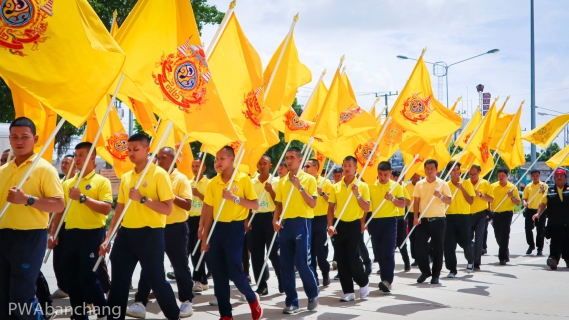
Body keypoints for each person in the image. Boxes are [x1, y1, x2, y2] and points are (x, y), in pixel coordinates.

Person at [100, 133, 180, 320]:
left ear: (147, 150)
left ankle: (174, 316)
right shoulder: (126, 176)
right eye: (129, 150)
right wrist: (108, 238)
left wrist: (143, 199)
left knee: (157, 281)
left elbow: (167, 209)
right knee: (119, 283)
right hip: (126, 235)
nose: (131, 153)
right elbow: (119, 209)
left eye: (136, 149)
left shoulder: (159, 174)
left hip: (150, 235)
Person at [0, 117, 65, 319]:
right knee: (3, 295)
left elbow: (58, 204)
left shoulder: (44, 168)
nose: (19, 141)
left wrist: (27, 200)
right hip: (3, 236)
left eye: (25, 137)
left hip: (29, 238)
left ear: (35, 138)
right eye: (14, 137)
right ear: (9, 140)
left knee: (22, 296)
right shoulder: (3, 170)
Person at [127, 147, 195, 318]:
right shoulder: (152, 176)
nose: (159, 160)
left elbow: (187, 204)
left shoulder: (180, 179)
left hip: (175, 228)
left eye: (164, 157)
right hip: (155, 227)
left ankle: (186, 300)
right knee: (149, 266)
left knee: (179, 265)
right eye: (158, 157)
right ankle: (140, 302)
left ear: (173, 160)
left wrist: (169, 194)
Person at [48, 142, 113, 319]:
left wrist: (82, 197)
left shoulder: (101, 181)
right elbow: (60, 211)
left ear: (92, 158)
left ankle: (103, 309)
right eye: (76, 155)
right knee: (71, 277)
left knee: (88, 277)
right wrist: (53, 233)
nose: (77, 159)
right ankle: (79, 313)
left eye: (81, 155)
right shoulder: (68, 182)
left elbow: (107, 208)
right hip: (70, 234)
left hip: (92, 234)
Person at [199, 146, 263, 320]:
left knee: (234, 271)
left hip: (234, 228)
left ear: (232, 159)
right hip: (216, 228)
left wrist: (233, 198)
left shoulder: (243, 180)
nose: (218, 162)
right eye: (216, 159)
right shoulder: (213, 182)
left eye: (222, 158)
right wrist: (204, 235)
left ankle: (251, 297)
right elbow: (208, 209)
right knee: (218, 274)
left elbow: (255, 205)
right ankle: (225, 314)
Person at [273, 148, 319, 313]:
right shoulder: (282, 181)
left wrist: (299, 186)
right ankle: (291, 301)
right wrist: (275, 219)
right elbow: (279, 203)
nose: (289, 160)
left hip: (302, 222)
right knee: (285, 265)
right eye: (287, 157)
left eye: (292, 157)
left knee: (302, 263)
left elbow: (312, 204)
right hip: (286, 224)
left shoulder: (309, 180)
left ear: (300, 160)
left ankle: (313, 293)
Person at [327, 156, 370, 301]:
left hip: (354, 224)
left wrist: (357, 195)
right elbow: (331, 208)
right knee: (341, 259)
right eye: (344, 165)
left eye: (350, 165)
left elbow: (367, 207)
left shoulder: (362, 186)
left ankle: (363, 282)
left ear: (356, 167)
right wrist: (330, 225)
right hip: (339, 224)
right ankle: (348, 291)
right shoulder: (336, 186)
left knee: (353, 258)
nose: (346, 168)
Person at [412, 159, 451, 285]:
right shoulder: (419, 184)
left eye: (432, 168)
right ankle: (425, 271)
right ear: (424, 170)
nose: (429, 171)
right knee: (419, 247)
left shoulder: (442, 184)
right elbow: (416, 201)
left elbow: (449, 201)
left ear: (437, 170)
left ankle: (436, 275)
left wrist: (439, 196)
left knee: (438, 248)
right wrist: (415, 217)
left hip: (438, 220)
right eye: (427, 168)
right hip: (423, 221)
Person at [368, 162, 405, 293]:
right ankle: (384, 276)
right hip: (375, 221)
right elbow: (367, 207)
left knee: (388, 252)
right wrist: (364, 223)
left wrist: (392, 199)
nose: (382, 177)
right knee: (379, 253)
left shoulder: (396, 186)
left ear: (390, 174)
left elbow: (402, 204)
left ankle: (387, 280)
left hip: (390, 222)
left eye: (385, 175)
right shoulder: (371, 187)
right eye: (380, 174)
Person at [248, 155, 282, 295]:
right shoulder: (251, 182)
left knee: (274, 253)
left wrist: (271, 191)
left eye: (265, 163)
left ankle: (282, 280)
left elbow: (279, 203)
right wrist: (246, 220)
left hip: (270, 217)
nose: (262, 166)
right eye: (260, 163)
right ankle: (261, 285)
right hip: (254, 218)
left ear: (270, 165)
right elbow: (247, 202)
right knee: (256, 254)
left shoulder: (276, 182)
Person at [532, 168, 569, 270]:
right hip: (555, 223)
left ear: (566, 178)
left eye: (561, 176)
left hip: (568, 223)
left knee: (567, 244)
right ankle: (553, 259)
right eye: (557, 176)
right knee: (555, 243)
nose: (559, 178)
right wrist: (538, 213)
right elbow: (543, 203)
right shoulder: (549, 190)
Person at [50, 153, 76, 300]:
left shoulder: (77, 183)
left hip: (72, 225)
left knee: (70, 260)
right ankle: (63, 287)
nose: (64, 165)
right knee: (57, 258)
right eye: (63, 162)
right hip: (60, 224)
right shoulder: (60, 181)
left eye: (67, 162)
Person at [183, 157, 210, 293]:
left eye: (198, 166)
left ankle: (197, 280)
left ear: (204, 167)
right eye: (193, 166)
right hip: (190, 219)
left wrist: (198, 194)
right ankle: (203, 279)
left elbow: (211, 202)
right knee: (189, 249)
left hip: (203, 218)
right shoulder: (188, 182)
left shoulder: (209, 183)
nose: (195, 169)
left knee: (197, 250)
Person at [304, 158, 332, 286]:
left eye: (308, 166)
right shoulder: (303, 181)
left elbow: (333, 202)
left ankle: (325, 272)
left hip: (321, 218)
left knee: (320, 250)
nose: (305, 168)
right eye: (305, 166)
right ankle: (313, 276)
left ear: (316, 167)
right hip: (308, 218)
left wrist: (323, 193)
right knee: (310, 250)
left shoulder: (325, 182)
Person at [444, 162, 475, 277]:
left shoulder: (466, 183)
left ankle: (470, 260)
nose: (456, 172)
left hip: (464, 217)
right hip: (449, 218)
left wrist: (461, 188)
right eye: (453, 170)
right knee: (449, 245)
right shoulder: (445, 185)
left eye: (458, 169)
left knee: (466, 242)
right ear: (449, 172)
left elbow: (471, 201)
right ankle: (452, 269)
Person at [489, 167, 521, 265]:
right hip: (495, 213)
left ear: (507, 176)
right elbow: (489, 200)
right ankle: (505, 250)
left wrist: (512, 196)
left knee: (505, 234)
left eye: (503, 175)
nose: (501, 177)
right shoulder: (493, 186)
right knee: (498, 235)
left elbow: (518, 203)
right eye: (499, 175)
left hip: (507, 213)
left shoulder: (512, 187)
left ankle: (502, 257)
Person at [469, 165, 494, 270]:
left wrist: (480, 195)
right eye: (470, 174)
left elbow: (491, 199)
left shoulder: (485, 183)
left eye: (474, 174)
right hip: (468, 214)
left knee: (479, 238)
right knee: (467, 239)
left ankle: (476, 262)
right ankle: (470, 258)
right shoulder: (466, 183)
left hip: (481, 214)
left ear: (479, 172)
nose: (472, 176)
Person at [523, 170, 548, 255]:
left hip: (541, 210)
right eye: (533, 175)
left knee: (540, 230)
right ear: (531, 176)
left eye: (537, 175)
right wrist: (524, 203)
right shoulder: (528, 186)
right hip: (530, 210)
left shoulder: (544, 186)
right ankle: (531, 245)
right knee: (528, 228)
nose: (535, 177)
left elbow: (547, 198)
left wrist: (543, 190)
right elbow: (524, 198)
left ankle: (539, 248)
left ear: (539, 176)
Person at [391, 170, 411, 271]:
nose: (399, 180)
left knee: (401, 242)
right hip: (391, 217)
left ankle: (407, 263)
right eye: (396, 177)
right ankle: (388, 265)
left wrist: (397, 199)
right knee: (390, 244)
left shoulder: (402, 188)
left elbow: (408, 202)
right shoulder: (389, 188)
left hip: (400, 219)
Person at [405, 174, 421, 267]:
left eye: (418, 175)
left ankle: (426, 255)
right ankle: (415, 258)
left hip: (422, 213)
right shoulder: (407, 187)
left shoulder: (422, 185)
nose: (417, 177)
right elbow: (405, 201)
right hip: (411, 214)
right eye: (415, 175)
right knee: (412, 236)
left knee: (422, 237)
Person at [330, 167, 343, 275]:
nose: (336, 178)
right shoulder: (333, 187)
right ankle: (337, 262)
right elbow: (330, 205)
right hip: (334, 219)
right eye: (335, 176)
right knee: (336, 244)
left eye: (338, 175)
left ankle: (366, 262)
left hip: (346, 220)